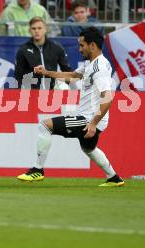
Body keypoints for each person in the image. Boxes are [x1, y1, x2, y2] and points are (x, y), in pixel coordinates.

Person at [17, 26, 125, 187]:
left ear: (92, 46)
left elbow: (107, 97)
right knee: (88, 148)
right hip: (91, 118)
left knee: (45, 126)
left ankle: (37, 170)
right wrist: (46, 72)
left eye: (82, 45)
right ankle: (114, 178)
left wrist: (93, 123)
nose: (79, 49)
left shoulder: (99, 68)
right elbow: (73, 75)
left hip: (89, 119)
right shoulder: (92, 64)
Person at [15, 16, 72, 89]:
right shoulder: (23, 50)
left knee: (64, 88)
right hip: (32, 93)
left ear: (45, 29)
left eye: (39, 28)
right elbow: (18, 76)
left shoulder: (56, 47)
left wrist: (68, 85)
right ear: (29, 31)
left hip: (52, 91)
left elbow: (67, 70)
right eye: (33, 28)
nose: (36, 31)